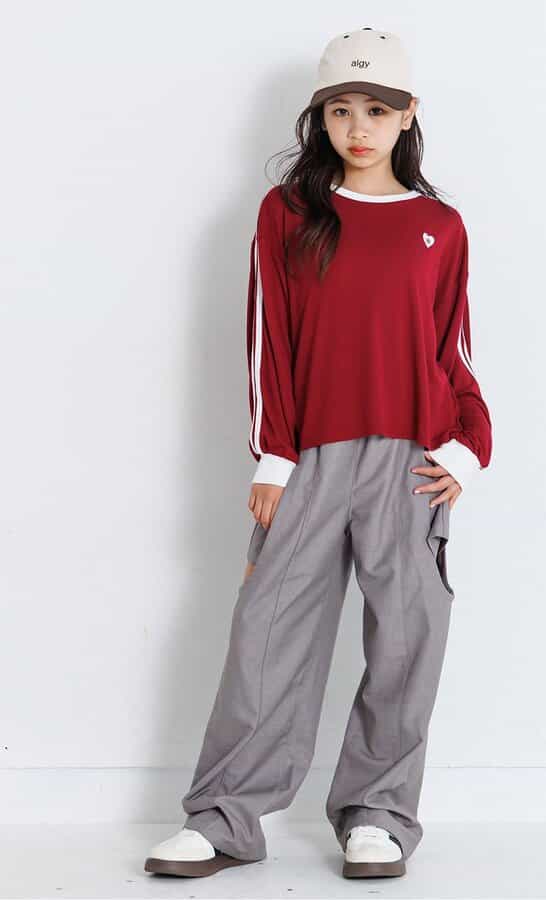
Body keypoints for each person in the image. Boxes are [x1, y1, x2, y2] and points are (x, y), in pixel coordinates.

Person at [144, 25, 492, 880]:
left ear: (408, 115)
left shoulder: (440, 226)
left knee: (407, 637)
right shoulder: (291, 213)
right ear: (320, 118)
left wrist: (467, 449)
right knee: (267, 633)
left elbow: (453, 351)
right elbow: (268, 340)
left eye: (376, 109)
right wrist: (275, 457)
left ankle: (379, 813)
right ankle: (226, 816)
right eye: (341, 110)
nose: (358, 127)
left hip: (413, 461)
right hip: (310, 457)